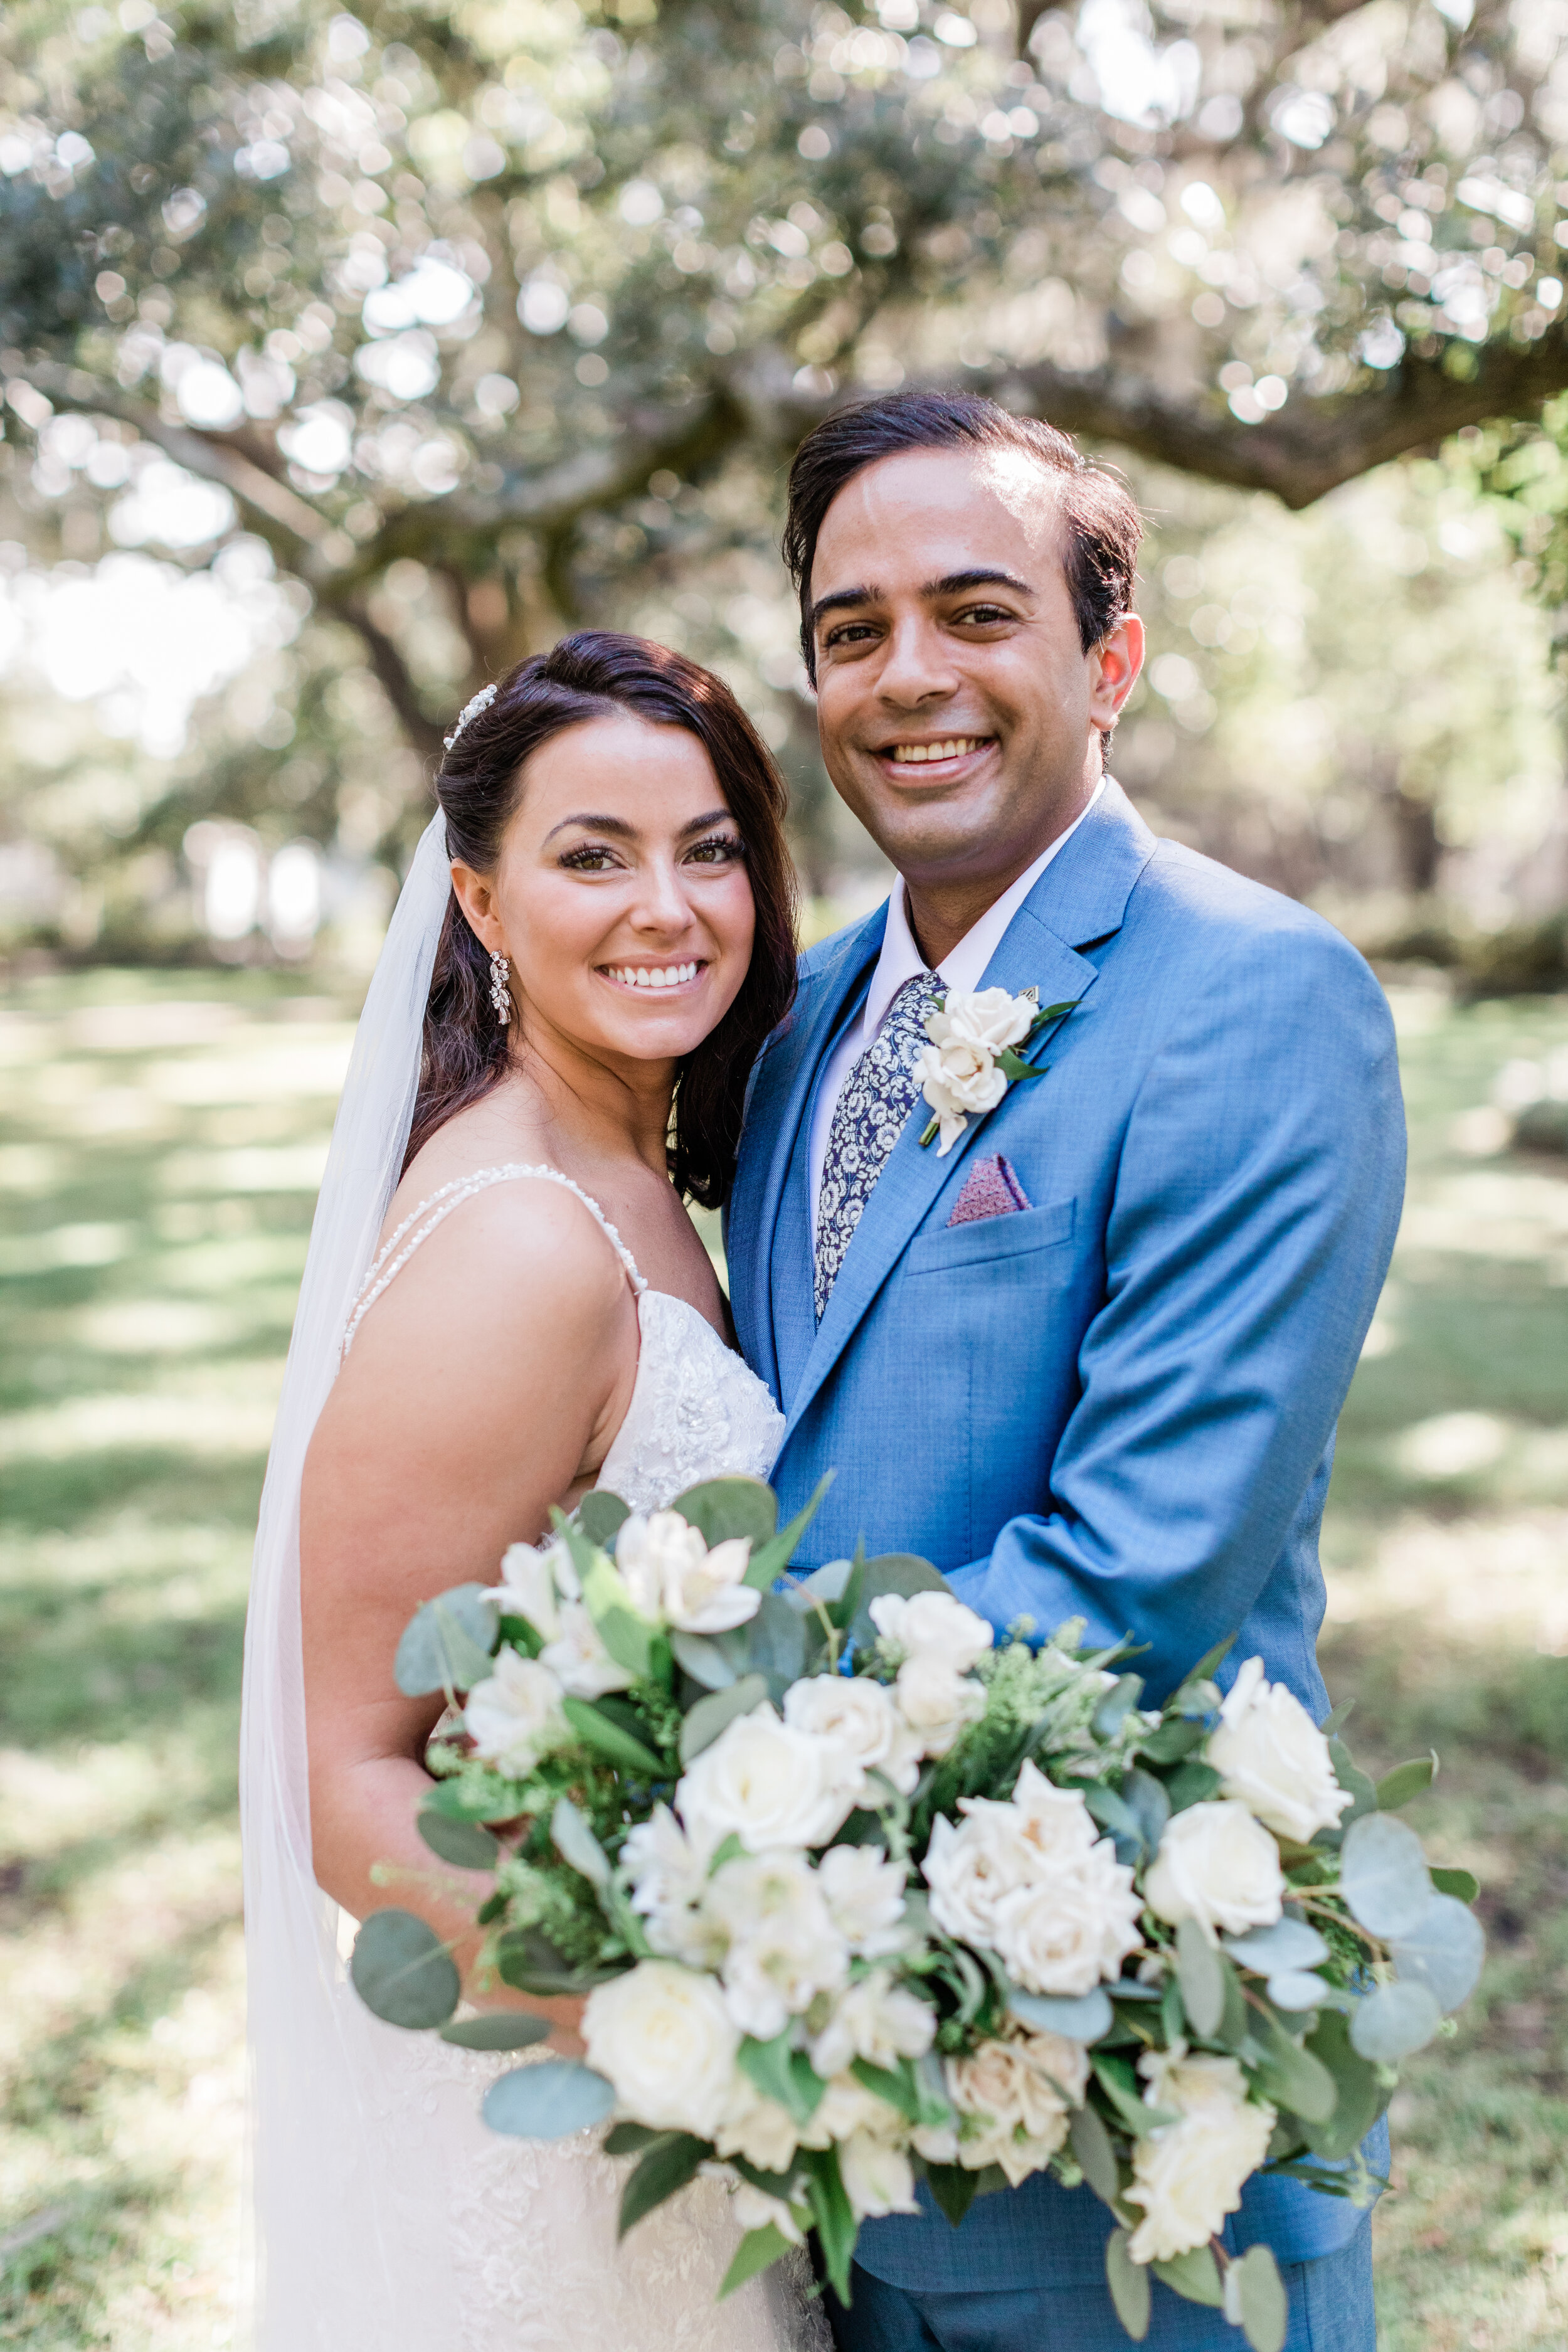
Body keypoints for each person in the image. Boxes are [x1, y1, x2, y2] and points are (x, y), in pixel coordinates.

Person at [726, 393, 1406, 2352]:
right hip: (828, 2111)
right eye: (851, 631)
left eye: (971, 612)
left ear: (1108, 660)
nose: (904, 676)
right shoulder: (805, 1028)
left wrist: (704, 1777)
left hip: (1129, 2124)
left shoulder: (1250, 995)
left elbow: (1137, 1571)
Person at [240, 633, 828, 2352]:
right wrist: (668, 2026)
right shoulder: (517, 1243)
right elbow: (342, 1775)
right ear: (483, 908)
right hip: (562, 2123)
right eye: (594, 855)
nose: (669, 905)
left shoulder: (622, 1177)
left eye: (708, 848)